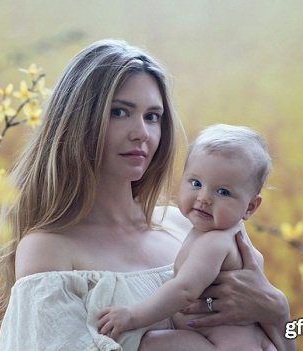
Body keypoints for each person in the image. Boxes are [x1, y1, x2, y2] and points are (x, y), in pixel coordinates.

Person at [0, 39, 295, 351]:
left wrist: (277, 311)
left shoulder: (191, 226)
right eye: (120, 112)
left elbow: (276, 344)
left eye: (152, 117)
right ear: (77, 121)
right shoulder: (49, 249)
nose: (142, 133)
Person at [97, 124, 276, 351]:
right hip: (237, 341)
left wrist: (133, 316)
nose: (204, 198)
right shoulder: (230, 235)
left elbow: (184, 290)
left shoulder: (216, 242)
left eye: (223, 192)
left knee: (150, 343)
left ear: (250, 206)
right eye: (196, 183)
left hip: (221, 346)